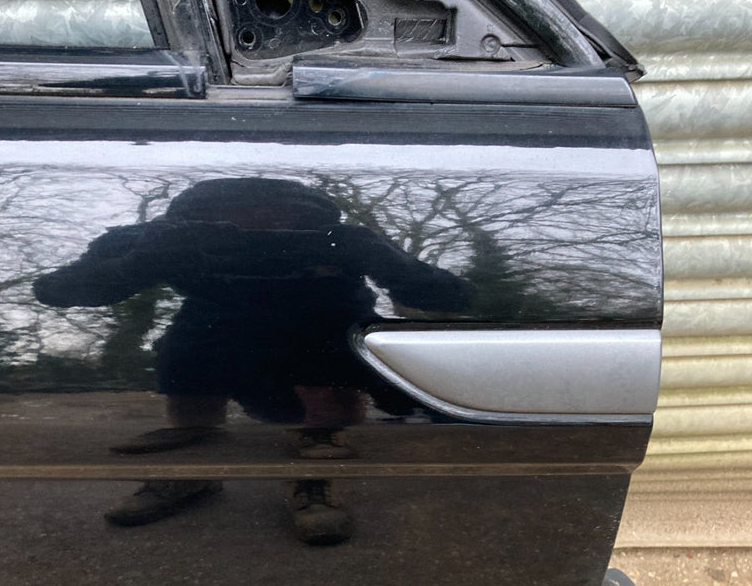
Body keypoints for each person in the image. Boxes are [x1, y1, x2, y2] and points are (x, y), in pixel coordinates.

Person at [34, 178, 471, 544]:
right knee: (188, 354)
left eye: (276, 218)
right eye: (228, 218)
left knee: (332, 366)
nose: (252, 228)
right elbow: (56, 290)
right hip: (217, 322)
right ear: (192, 219)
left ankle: (316, 480)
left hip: (325, 320)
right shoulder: (158, 239)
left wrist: (383, 259)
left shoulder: (340, 240)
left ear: (307, 218)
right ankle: (187, 473)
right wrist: (138, 262)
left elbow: (453, 296)